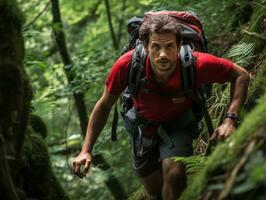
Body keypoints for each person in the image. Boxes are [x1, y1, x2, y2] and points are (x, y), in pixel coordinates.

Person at [72, 14, 250, 200]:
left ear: (179, 45)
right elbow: (104, 105)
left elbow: (241, 75)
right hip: (142, 129)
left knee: (174, 177)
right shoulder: (127, 65)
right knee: (155, 191)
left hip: (179, 125)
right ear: (146, 47)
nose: (163, 54)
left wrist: (231, 118)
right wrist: (86, 150)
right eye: (156, 47)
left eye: (169, 46)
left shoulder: (196, 64)